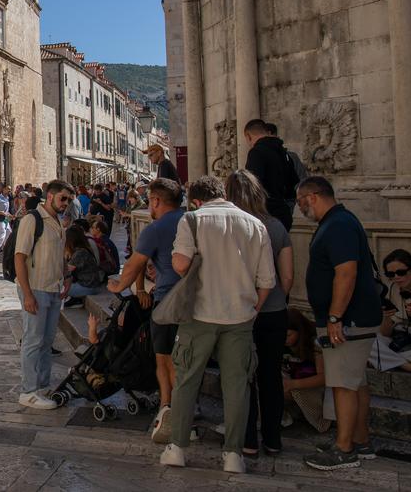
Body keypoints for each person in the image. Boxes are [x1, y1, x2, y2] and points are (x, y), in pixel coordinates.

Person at [160, 176, 276, 475]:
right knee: (238, 386)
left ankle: (177, 448)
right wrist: (254, 307)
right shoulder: (255, 224)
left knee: (187, 381)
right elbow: (267, 280)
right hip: (240, 317)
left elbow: (181, 264)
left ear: (196, 200)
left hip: (200, 313)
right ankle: (233, 455)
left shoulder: (193, 220)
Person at [298, 175, 383, 471]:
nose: (300, 209)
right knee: (355, 382)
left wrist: (335, 316)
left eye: (300, 202)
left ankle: (345, 448)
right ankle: (359, 439)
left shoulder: (339, 225)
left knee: (343, 384)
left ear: (313, 196)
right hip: (352, 318)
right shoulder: (339, 223)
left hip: (349, 321)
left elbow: (346, 272)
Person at [108, 177, 184, 442]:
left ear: (156, 201)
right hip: (197, 301)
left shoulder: (156, 228)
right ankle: (182, 406)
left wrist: (119, 287)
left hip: (167, 301)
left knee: (164, 358)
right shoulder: (193, 220)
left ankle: (169, 409)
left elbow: (135, 263)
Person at [226, 169, 293, 457]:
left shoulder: (230, 228)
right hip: (274, 310)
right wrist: (278, 298)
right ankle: (273, 439)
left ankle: (248, 440)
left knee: (243, 376)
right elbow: (288, 276)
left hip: (241, 312)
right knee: (270, 374)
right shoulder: (276, 226)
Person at [13, 179, 72, 408]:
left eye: (68, 200)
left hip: (53, 289)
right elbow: (20, 256)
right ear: (50, 196)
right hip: (35, 289)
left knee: (47, 342)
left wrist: (66, 277)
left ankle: (42, 386)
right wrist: (27, 294)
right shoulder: (32, 219)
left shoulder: (57, 221)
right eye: (62, 198)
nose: (66, 203)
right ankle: (28, 391)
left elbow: (59, 255)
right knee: (33, 340)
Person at [243, 119, 300, 231]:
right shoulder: (285, 153)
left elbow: (252, 186)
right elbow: (293, 182)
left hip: (266, 215)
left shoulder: (257, 152)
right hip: (284, 213)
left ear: (249, 136)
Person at [283, 308, 331, 434]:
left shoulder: (314, 345)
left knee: (297, 391)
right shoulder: (281, 345)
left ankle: (318, 421)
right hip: (289, 381)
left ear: (300, 331)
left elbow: (324, 378)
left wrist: (293, 384)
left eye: (288, 335)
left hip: (311, 387)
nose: (284, 339)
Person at [64, 226, 106, 303]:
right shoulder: (84, 249)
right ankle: (74, 300)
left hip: (89, 287)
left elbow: (66, 269)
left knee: (57, 288)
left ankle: (74, 300)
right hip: (91, 285)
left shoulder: (80, 253)